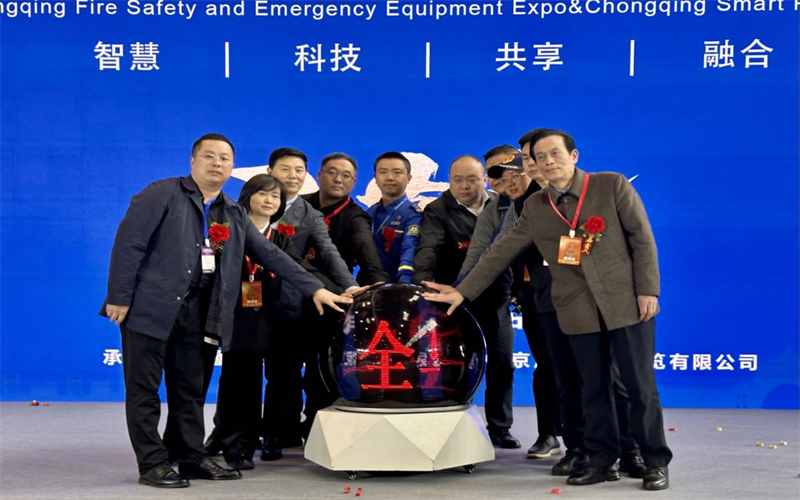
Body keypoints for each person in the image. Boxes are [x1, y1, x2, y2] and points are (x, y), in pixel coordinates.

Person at [424, 129, 672, 491]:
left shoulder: (611, 186)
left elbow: (642, 238)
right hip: (576, 309)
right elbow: (500, 251)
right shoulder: (537, 207)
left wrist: (648, 290)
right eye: (540, 157)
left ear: (573, 155)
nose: (548, 161)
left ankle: (654, 462)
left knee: (639, 387)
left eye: (555, 153)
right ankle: (601, 460)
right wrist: (462, 291)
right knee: (593, 389)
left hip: (626, 304)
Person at [102, 133, 350, 488]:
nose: (216, 163)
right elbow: (129, 244)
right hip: (150, 307)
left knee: (191, 389)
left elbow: (271, 254)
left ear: (232, 167)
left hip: (200, 312)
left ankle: (190, 457)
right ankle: (152, 462)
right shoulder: (161, 193)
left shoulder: (231, 211)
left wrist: (316, 288)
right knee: (144, 390)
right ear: (193, 161)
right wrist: (119, 296)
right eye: (209, 156)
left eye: (224, 158)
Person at [516, 130, 645, 477]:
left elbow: (634, 243)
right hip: (548, 301)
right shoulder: (527, 204)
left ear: (570, 156)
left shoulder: (594, 192)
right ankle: (578, 449)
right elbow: (501, 251)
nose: (539, 164)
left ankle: (629, 449)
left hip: (595, 302)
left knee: (612, 380)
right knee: (566, 380)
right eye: (530, 159)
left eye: (546, 155)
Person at [206, 174, 341, 471]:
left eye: (276, 196)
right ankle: (238, 446)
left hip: (278, 319)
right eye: (263, 194)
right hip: (240, 319)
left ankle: (272, 436)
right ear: (247, 196)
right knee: (240, 383)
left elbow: (302, 270)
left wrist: (339, 290)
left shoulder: (281, 240)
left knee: (281, 381)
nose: (269, 200)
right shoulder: (226, 235)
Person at [260, 147, 362, 458]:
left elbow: (329, 254)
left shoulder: (309, 214)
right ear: (270, 171)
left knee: (290, 372)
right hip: (252, 305)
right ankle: (258, 432)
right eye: (286, 169)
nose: (293, 176)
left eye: (298, 171)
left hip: (293, 304)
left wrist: (351, 286)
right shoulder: (253, 203)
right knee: (260, 374)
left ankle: (283, 435)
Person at [449, 153, 530, 449]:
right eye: (499, 175)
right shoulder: (492, 209)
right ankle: (453, 425)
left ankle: (501, 427)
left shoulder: (538, 202)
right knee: (459, 365)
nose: (506, 181)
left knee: (502, 364)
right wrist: (460, 290)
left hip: (506, 298)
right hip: (467, 298)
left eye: (513, 174)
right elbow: (484, 253)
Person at [303, 152, 389, 285]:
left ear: (354, 183)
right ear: (319, 176)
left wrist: (379, 283)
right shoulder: (299, 204)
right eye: (332, 172)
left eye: (346, 176)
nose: (338, 180)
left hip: (333, 288)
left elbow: (368, 256)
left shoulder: (356, 218)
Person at [367, 152, 422, 283]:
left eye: (397, 172)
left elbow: (409, 247)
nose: (389, 178)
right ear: (375, 178)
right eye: (383, 172)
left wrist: (404, 281)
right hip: (367, 282)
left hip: (398, 283)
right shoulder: (370, 212)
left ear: (408, 178)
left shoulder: (413, 214)